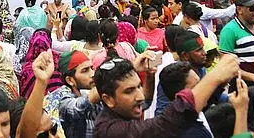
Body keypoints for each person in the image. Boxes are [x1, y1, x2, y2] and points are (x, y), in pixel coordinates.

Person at [93, 51, 240, 137]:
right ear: (108, 100)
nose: (140, 96)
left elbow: (146, 102)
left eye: (138, 86)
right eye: (129, 91)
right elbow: (162, 126)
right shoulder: (108, 130)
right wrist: (214, 77)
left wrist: (149, 76)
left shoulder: (122, 109)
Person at [218, 0, 254, 84]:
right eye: (252, 8)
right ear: (239, 9)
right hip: (242, 87)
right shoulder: (229, 30)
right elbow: (225, 66)